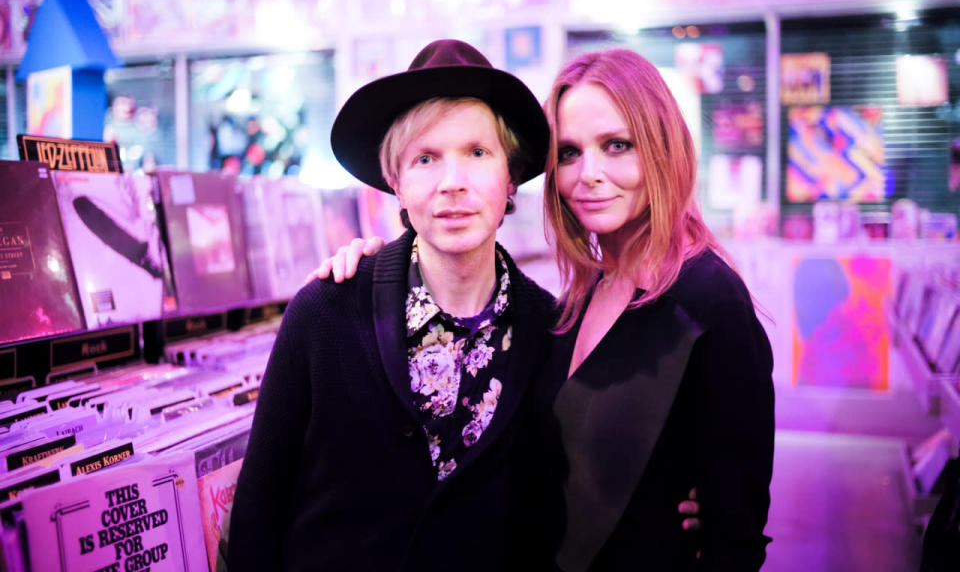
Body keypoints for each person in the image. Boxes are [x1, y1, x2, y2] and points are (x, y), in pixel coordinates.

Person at [321, 47, 774, 571]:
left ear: (662, 148)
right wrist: (383, 267)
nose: (590, 175)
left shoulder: (708, 299)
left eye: (617, 145)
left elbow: (734, 536)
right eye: (570, 153)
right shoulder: (567, 305)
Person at [228, 39, 557, 570]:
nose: (453, 183)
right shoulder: (324, 314)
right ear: (396, 184)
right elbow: (257, 514)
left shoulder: (549, 330)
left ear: (509, 175)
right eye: (425, 158)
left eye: (477, 153)